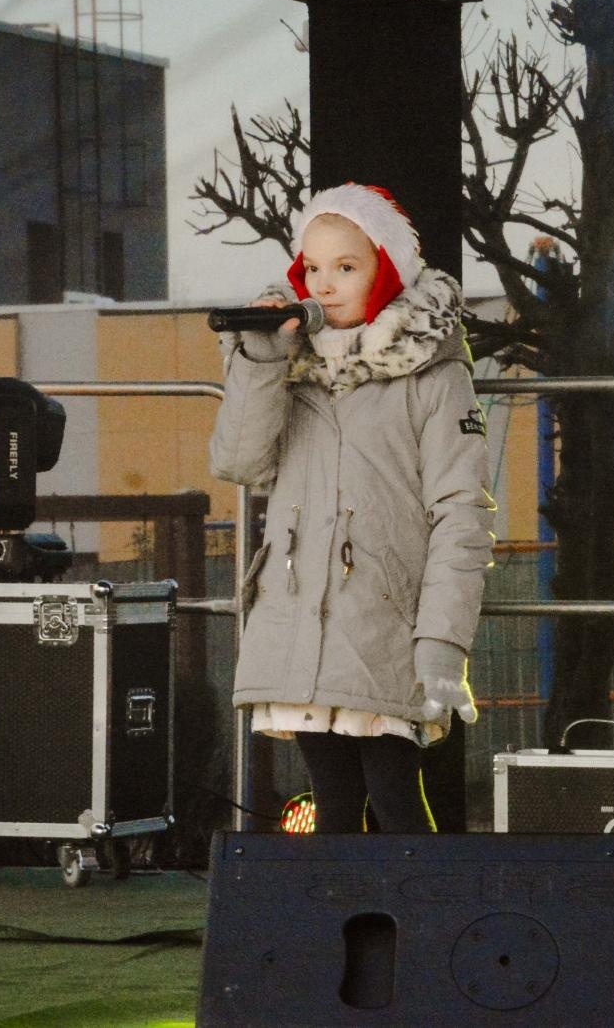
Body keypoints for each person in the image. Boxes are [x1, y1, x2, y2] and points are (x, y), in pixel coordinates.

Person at [209, 183, 495, 834]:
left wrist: (443, 641)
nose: (326, 283)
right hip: (297, 619)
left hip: (384, 623)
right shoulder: (288, 363)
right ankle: (352, 934)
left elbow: (461, 511)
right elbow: (238, 462)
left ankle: (428, 927)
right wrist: (258, 357)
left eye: (347, 265)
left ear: (387, 268)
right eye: (313, 267)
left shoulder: (434, 373)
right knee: (332, 799)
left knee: (395, 796)